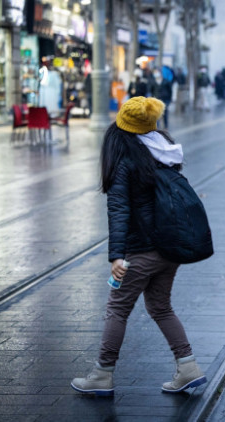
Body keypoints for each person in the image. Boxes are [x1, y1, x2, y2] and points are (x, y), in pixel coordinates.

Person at [71, 97, 206, 396]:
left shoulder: (125, 160)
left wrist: (117, 256)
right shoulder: (166, 151)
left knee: (117, 309)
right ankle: (188, 367)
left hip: (139, 253)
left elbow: (119, 210)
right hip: (170, 250)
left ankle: (102, 374)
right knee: (160, 306)